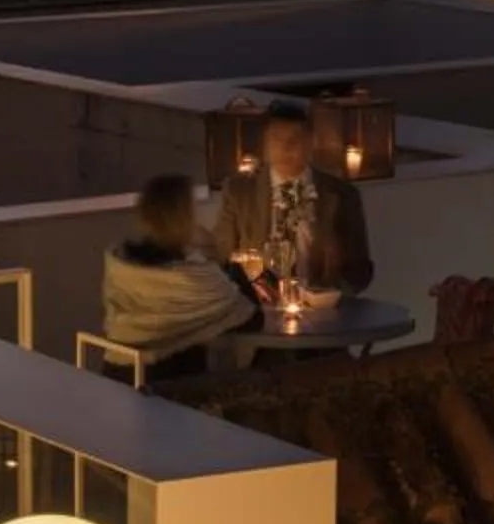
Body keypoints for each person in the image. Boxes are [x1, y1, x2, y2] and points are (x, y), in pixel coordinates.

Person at [100, 175, 260, 376]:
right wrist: (227, 262)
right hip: (169, 384)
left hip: (116, 375)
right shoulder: (194, 279)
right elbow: (251, 316)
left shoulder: (122, 266)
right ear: (185, 218)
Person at [211, 103, 375, 293]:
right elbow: (220, 258)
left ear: (310, 142)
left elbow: (361, 271)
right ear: (265, 144)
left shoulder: (342, 194)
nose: (286, 148)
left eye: (295, 139)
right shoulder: (239, 192)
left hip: (322, 301)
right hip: (256, 302)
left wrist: (335, 292)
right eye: (276, 139)